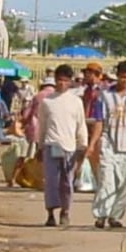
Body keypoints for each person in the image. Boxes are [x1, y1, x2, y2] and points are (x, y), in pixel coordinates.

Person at [86, 60, 126, 228]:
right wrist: (92, 144)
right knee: (106, 181)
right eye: (122, 77)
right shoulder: (104, 96)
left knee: (123, 183)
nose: (125, 81)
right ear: (117, 76)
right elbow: (99, 122)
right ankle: (101, 215)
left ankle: (115, 216)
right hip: (108, 144)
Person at [37, 64, 88, 227]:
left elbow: (81, 125)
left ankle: (65, 211)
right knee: (51, 181)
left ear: (70, 82)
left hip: (69, 147)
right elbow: (42, 125)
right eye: (59, 80)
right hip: (52, 145)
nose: (62, 84)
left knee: (67, 182)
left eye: (65, 81)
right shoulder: (47, 102)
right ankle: (50, 213)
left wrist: (83, 145)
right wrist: (40, 146)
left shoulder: (76, 102)